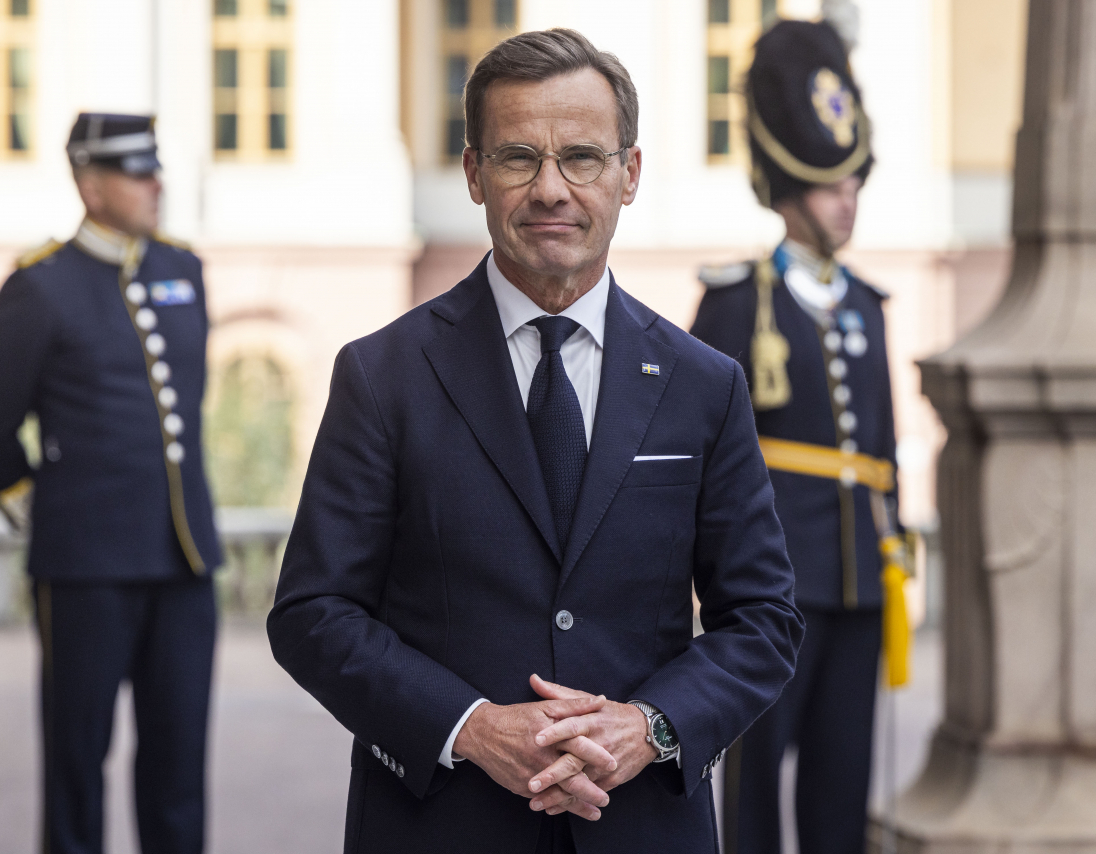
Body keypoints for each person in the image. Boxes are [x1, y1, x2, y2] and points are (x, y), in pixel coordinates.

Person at [267, 28, 803, 854]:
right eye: (519, 157)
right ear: (475, 173)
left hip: (643, 829)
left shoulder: (706, 384)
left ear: (629, 175)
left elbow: (763, 618)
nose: (552, 189)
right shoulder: (383, 376)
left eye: (582, 157)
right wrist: (472, 728)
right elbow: (311, 613)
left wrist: (651, 727)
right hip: (440, 825)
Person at [0, 113, 222, 854]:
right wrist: (46, 516)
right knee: (77, 765)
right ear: (90, 184)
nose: (156, 185)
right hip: (84, 570)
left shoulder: (183, 270)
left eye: (156, 170)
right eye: (138, 174)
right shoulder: (39, 286)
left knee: (179, 767)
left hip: (184, 561)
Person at [690, 19, 909, 854]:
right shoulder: (739, 299)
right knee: (755, 777)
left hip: (857, 580)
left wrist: (891, 553)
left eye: (853, 182)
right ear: (788, 189)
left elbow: (881, 452)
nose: (845, 199)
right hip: (774, 585)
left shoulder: (866, 304)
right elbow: (703, 453)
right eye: (828, 186)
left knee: (842, 774)